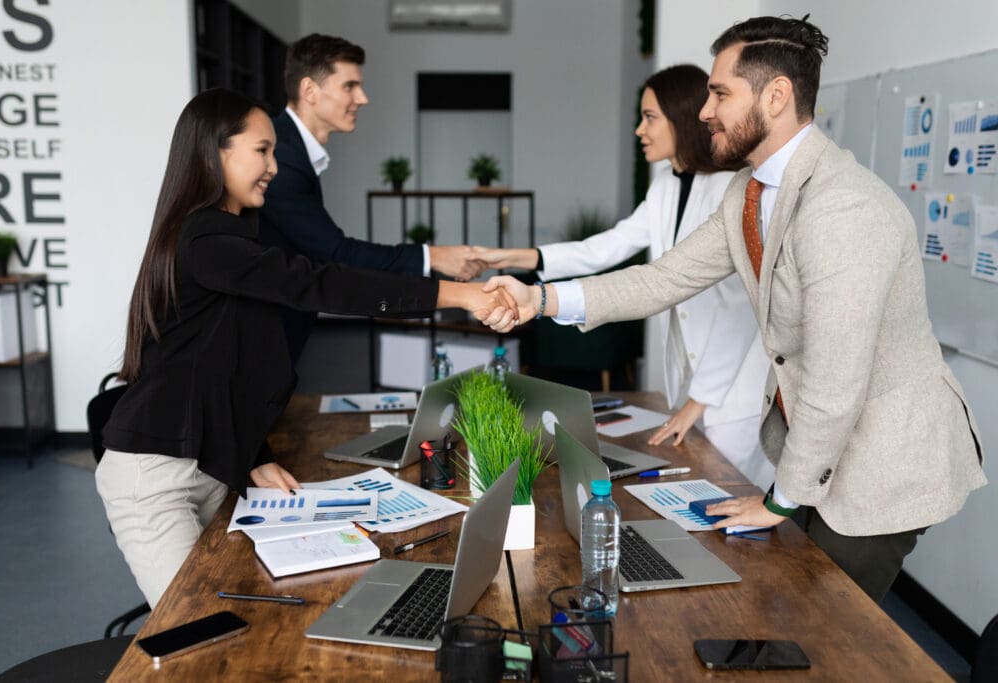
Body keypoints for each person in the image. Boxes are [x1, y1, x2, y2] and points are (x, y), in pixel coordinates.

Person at [480, 15, 986, 602]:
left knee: (820, 620)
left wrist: (779, 498)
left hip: (887, 463)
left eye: (720, 93)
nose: (703, 111)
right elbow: (664, 278)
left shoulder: (843, 208)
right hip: (825, 452)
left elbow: (835, 375)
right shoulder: (750, 191)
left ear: (776, 96)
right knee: (786, 604)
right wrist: (539, 298)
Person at [96, 88, 507, 608]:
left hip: (207, 465)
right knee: (195, 628)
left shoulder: (231, 236)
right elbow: (323, 283)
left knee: (242, 619)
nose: (273, 166)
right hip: (154, 481)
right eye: (262, 151)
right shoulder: (206, 243)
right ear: (214, 153)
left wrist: (255, 454)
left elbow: (225, 366)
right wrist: (458, 295)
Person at [472, 65, 774, 489]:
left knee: (736, 513)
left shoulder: (732, 189)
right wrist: (514, 256)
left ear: (682, 117)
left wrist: (699, 401)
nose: (639, 130)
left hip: (729, 393)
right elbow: (606, 248)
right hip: (688, 385)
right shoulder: (667, 183)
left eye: (650, 117)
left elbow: (740, 304)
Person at [259, 33, 487, 360]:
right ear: (309, 90)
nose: (362, 98)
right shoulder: (282, 154)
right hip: (263, 335)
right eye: (349, 86)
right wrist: (433, 257)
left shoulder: (292, 148)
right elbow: (335, 253)